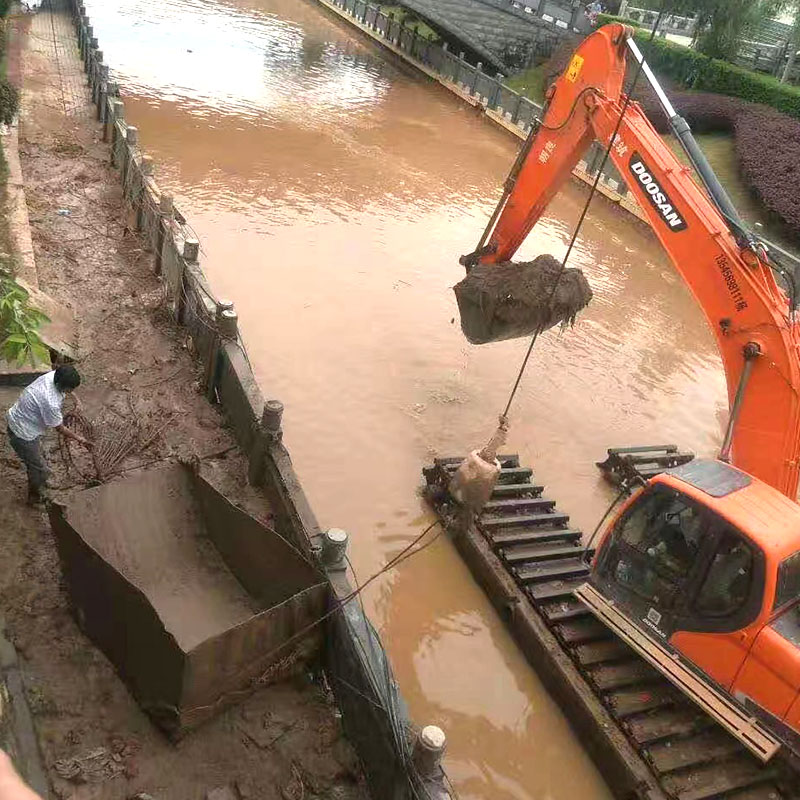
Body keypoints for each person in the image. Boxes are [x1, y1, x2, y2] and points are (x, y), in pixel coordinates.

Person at [5, 365, 92, 504]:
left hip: (21, 419)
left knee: (39, 458)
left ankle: (40, 482)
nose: (71, 392)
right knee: (40, 469)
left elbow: (68, 390)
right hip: (22, 434)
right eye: (69, 389)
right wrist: (79, 439)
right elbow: (59, 428)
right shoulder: (49, 401)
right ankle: (35, 497)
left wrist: (77, 400)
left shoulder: (54, 375)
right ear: (59, 385)